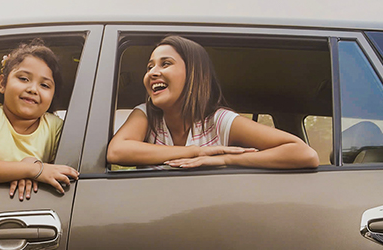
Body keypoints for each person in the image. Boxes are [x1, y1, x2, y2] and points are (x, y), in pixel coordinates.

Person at [107, 35, 319, 169]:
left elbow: (304, 153)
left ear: (193, 74)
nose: (153, 72)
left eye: (166, 64)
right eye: (150, 66)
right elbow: (117, 151)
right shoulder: (145, 115)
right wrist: (196, 151)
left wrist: (226, 159)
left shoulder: (219, 122)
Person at [0, 39, 79, 201]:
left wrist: (34, 170)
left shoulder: (55, 127)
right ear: (3, 83)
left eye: (44, 85)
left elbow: (59, 172)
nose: (32, 89)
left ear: (52, 96)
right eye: (23, 79)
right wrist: (30, 168)